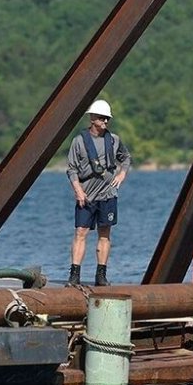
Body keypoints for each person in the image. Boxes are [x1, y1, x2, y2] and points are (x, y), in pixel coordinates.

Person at [65, 100, 131, 287]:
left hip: (108, 195)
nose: (105, 122)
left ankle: (101, 275)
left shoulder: (114, 140)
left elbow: (126, 158)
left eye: (107, 118)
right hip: (86, 195)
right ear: (92, 118)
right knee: (80, 232)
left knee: (105, 233)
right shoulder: (79, 141)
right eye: (102, 118)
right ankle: (74, 275)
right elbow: (71, 170)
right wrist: (78, 191)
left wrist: (122, 174)